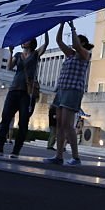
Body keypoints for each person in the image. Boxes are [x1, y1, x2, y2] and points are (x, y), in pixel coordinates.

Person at [0, 30, 48, 158]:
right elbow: (9, 67)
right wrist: (11, 52)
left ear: (32, 42)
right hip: (14, 89)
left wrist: (45, 30)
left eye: (28, 39)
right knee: (6, 118)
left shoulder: (36, 54)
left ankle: (16, 150)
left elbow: (46, 43)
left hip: (26, 92)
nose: (25, 41)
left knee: (23, 121)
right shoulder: (18, 55)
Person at [43, 22, 92, 167]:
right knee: (59, 124)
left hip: (73, 90)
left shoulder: (85, 55)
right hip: (62, 90)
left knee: (67, 124)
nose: (72, 45)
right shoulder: (70, 55)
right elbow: (58, 41)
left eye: (77, 41)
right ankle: (58, 156)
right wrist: (62, 24)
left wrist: (72, 27)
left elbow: (77, 46)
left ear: (82, 43)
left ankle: (76, 157)